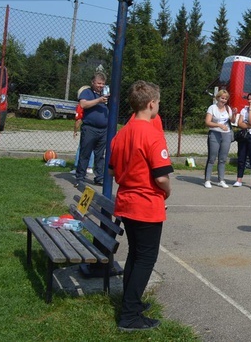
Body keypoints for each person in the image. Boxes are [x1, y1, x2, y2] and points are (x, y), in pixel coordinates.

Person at [109, 80, 172, 332]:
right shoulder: (152, 134)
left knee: (135, 256)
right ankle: (129, 316)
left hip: (126, 202)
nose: (157, 106)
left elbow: (114, 170)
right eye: (157, 102)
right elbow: (161, 177)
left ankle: (131, 303)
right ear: (151, 104)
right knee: (146, 258)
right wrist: (167, 190)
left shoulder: (122, 133)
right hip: (145, 203)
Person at [75, 72, 109, 185]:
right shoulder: (87, 92)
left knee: (100, 155)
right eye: (99, 83)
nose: (100, 86)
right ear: (93, 82)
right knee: (85, 153)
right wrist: (98, 100)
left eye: (103, 84)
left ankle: (99, 177)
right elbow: (83, 105)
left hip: (103, 130)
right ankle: (80, 178)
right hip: (90, 128)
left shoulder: (105, 94)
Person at [203, 90, 233, 189]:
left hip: (226, 135)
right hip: (214, 134)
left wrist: (235, 114)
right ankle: (207, 180)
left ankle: (221, 180)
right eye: (222, 98)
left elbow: (232, 121)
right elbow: (207, 122)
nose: (223, 100)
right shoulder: (212, 108)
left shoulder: (228, 109)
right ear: (218, 98)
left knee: (223, 159)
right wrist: (218, 125)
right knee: (212, 158)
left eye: (225, 98)